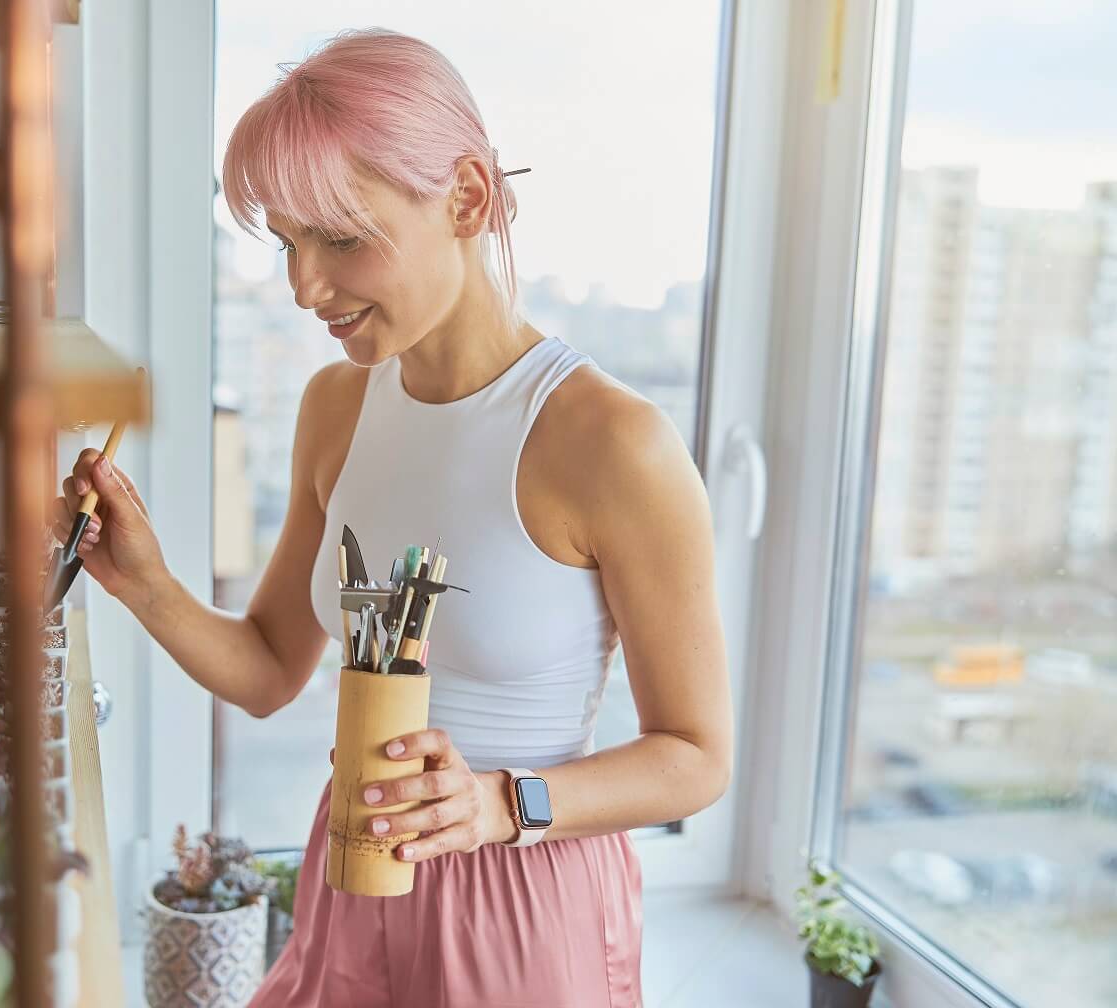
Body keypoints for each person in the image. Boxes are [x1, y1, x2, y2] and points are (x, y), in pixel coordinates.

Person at [53, 28, 731, 1008]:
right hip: (356, 871)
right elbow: (266, 674)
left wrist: (501, 803)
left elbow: (697, 759)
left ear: (463, 196)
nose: (304, 288)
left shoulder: (614, 443)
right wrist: (145, 585)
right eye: (287, 245)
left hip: (520, 894)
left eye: (339, 236)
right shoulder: (338, 405)